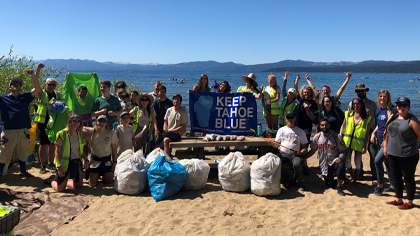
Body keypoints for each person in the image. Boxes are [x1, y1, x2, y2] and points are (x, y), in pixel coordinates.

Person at [0, 63, 44, 180]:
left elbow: (37, 89)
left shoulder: (25, 97)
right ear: (9, 87)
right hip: (8, 130)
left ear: (20, 87)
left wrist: (34, 74)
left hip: (23, 130)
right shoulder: (2, 98)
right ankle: (0, 173)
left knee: (23, 152)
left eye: (18, 84)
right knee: (4, 153)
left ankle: (23, 171)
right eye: (13, 84)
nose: (16, 85)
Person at [383, 97, 420, 210]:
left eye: (404, 105)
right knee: (396, 177)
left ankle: (409, 202)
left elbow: (419, 136)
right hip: (392, 153)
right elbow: (387, 131)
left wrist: (410, 146)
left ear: (408, 107)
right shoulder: (393, 117)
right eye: (399, 104)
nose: (401, 107)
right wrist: (385, 145)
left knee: (408, 178)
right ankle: (399, 199)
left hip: (408, 155)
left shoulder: (412, 120)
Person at [304, 118, 347, 195]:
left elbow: (343, 151)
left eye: (326, 125)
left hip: (334, 161)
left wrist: (340, 158)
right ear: (320, 126)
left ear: (329, 125)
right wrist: (303, 158)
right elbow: (313, 150)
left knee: (341, 165)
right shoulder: (317, 137)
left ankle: (339, 187)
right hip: (324, 164)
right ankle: (341, 177)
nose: (324, 127)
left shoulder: (336, 136)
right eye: (322, 125)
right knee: (330, 184)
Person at [269, 111, 308, 190]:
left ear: (295, 119)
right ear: (285, 119)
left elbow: (305, 147)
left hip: (295, 155)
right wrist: (271, 144)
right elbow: (277, 145)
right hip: (283, 154)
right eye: (288, 117)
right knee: (277, 162)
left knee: (297, 164)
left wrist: (300, 152)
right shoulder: (281, 130)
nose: (290, 119)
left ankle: (298, 182)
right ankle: (285, 181)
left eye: (291, 117)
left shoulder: (300, 131)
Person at [49, 114, 88, 192]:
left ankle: (65, 182)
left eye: (78, 121)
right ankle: (52, 180)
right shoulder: (62, 133)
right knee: (60, 189)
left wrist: (86, 160)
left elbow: (81, 150)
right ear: (70, 121)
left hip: (76, 162)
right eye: (74, 121)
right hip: (64, 164)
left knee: (78, 186)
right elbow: (57, 152)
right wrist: (59, 166)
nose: (76, 123)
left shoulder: (80, 134)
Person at [347, 83, 378, 180]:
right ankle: (359, 172)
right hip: (357, 133)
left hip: (371, 131)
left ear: (365, 91)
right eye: (358, 91)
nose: (360, 92)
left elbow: (376, 119)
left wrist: (375, 132)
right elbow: (349, 119)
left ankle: (375, 174)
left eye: (362, 90)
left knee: (373, 154)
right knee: (358, 155)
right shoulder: (351, 104)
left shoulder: (372, 104)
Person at [35, 77, 63, 174]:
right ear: (45, 85)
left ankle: (50, 163)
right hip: (42, 121)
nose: (51, 86)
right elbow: (36, 85)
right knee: (43, 144)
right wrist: (36, 73)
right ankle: (42, 165)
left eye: (53, 85)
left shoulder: (58, 94)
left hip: (54, 121)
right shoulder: (41, 94)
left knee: (52, 143)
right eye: (49, 84)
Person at [340, 97, 372, 183]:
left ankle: (354, 179)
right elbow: (343, 126)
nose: (355, 105)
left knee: (358, 163)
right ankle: (352, 176)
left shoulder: (367, 117)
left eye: (357, 103)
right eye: (354, 103)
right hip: (347, 142)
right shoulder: (348, 114)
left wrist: (365, 146)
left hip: (359, 144)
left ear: (361, 104)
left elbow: (367, 134)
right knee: (347, 161)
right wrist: (340, 136)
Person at [84, 115, 118, 187]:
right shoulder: (91, 132)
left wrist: (115, 161)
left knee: (109, 182)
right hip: (95, 160)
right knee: (92, 185)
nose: (101, 123)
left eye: (104, 121)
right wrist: (86, 160)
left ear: (106, 123)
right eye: (100, 121)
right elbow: (80, 127)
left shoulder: (111, 133)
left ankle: (102, 175)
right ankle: (98, 174)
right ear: (96, 122)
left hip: (106, 160)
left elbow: (114, 148)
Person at [372, 90, 395, 195]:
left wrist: (386, 142)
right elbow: (379, 125)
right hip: (379, 139)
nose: (382, 98)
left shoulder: (393, 109)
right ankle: (393, 185)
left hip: (388, 141)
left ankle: (380, 186)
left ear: (388, 98)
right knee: (386, 163)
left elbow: (392, 126)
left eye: (384, 97)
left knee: (377, 161)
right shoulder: (378, 110)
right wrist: (373, 133)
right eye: (380, 96)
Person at [294, 74, 318, 175]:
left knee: (305, 146)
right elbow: (295, 91)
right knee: (298, 145)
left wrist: (308, 110)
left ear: (310, 93)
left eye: (308, 92)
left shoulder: (314, 103)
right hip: (298, 126)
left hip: (307, 127)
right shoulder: (301, 100)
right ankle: (301, 164)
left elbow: (313, 118)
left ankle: (304, 165)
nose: (306, 94)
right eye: (304, 92)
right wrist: (297, 80)